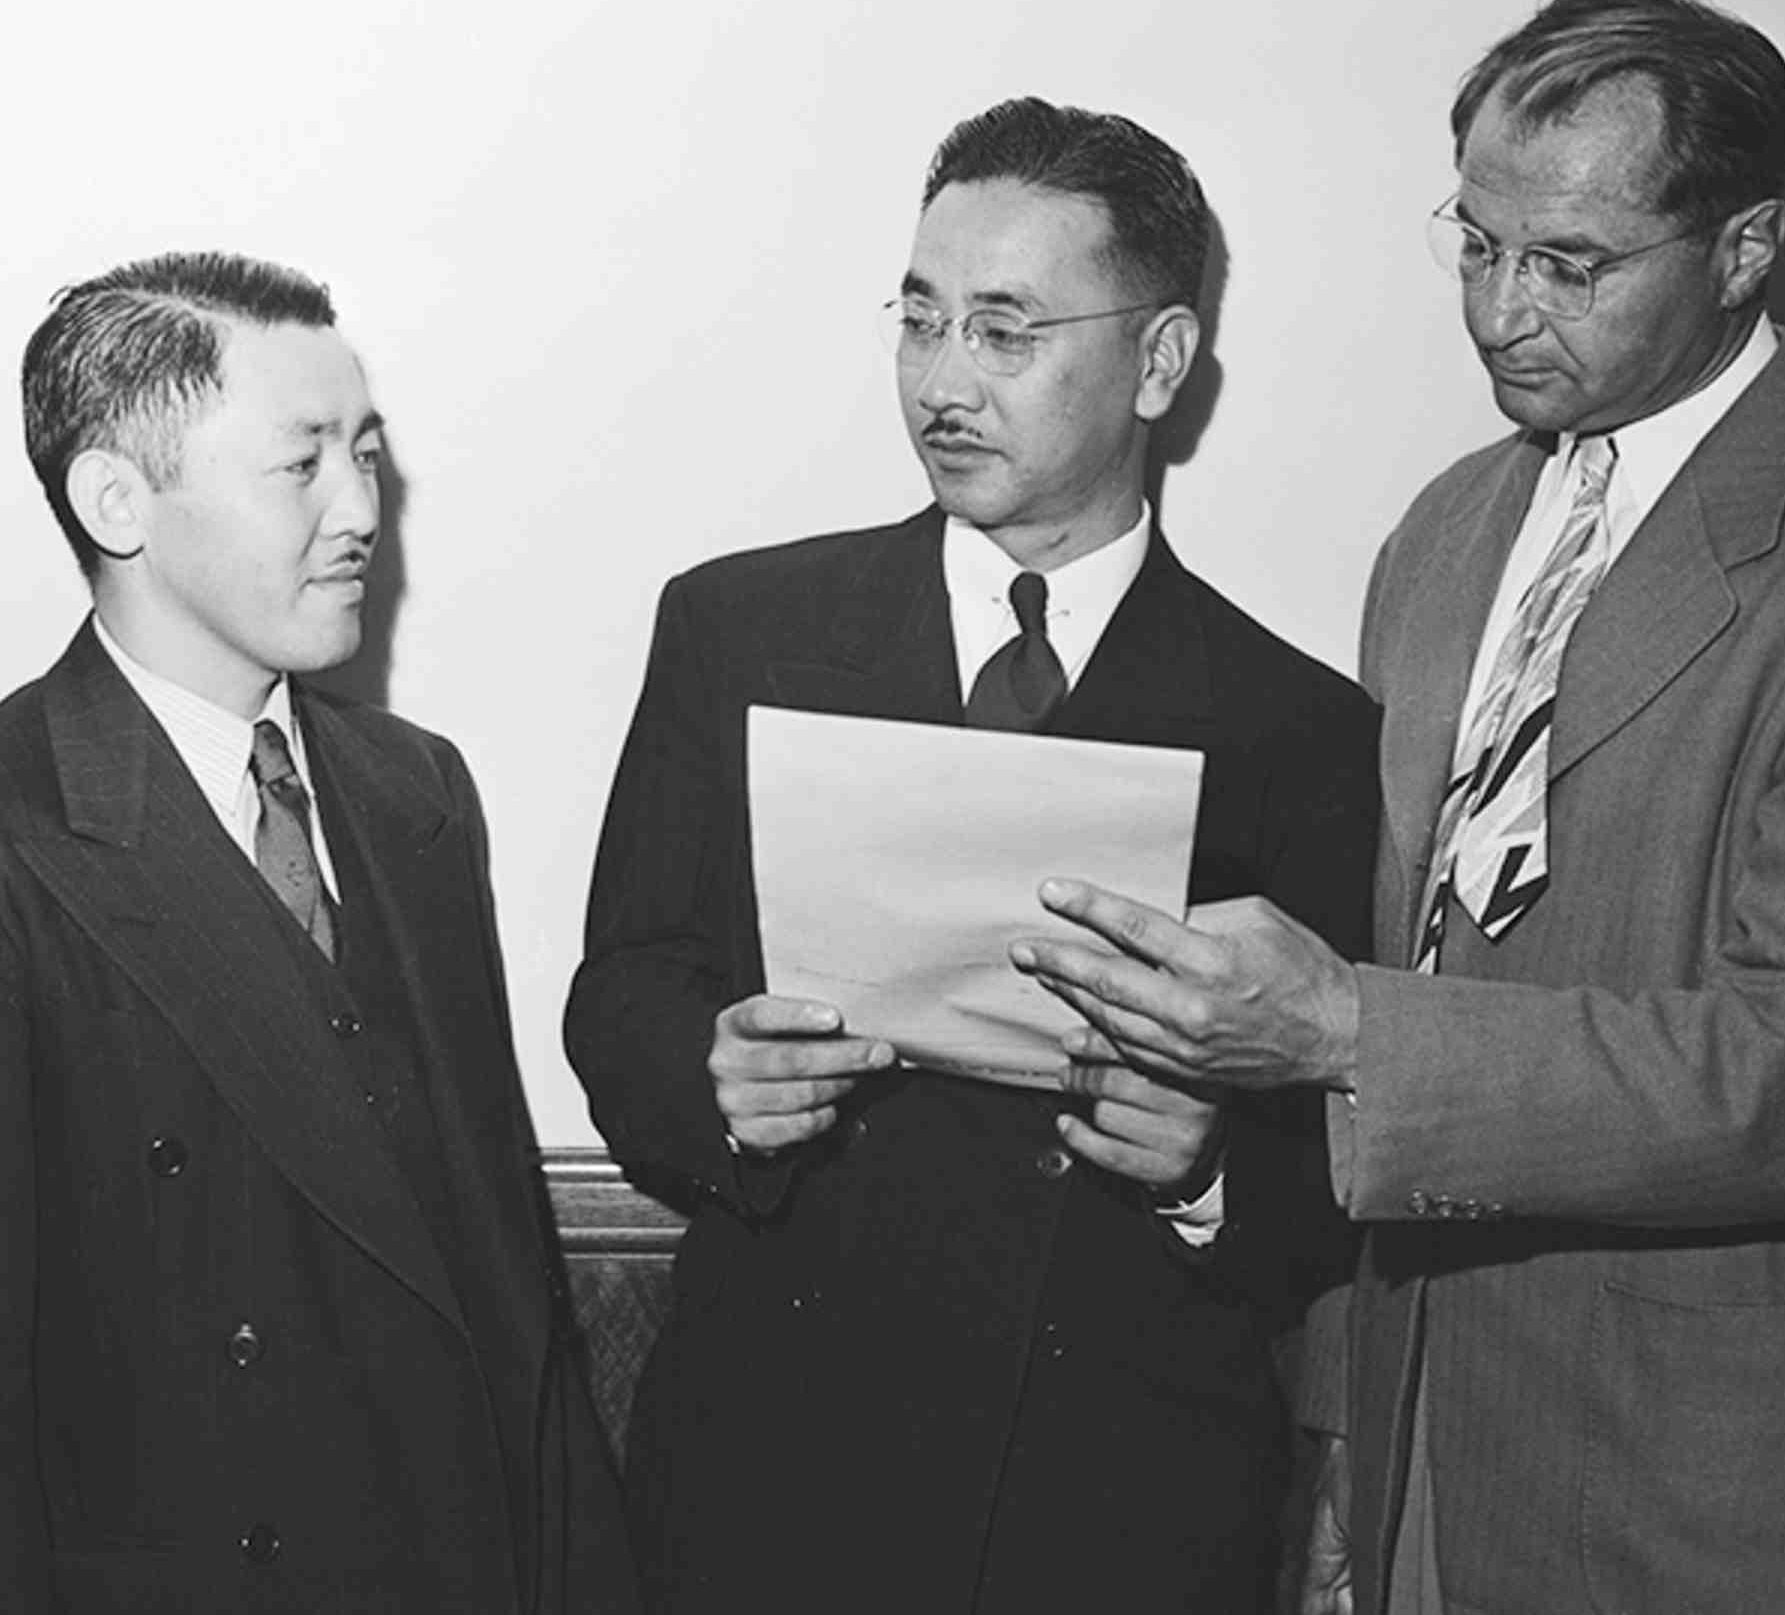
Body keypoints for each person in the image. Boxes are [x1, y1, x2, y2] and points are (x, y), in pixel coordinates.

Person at [1010, 0, 1785, 1615]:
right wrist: (1347, 1430)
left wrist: (1348, 1031)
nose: (1502, 308)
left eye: (1570, 264)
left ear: (1745, 249)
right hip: (1425, 1448)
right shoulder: (1445, 536)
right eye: (1478, 243)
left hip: (1720, 1492)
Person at [565, 96, 1378, 1614]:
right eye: (920, 321)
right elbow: (618, 990)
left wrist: (1207, 1167)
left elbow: (1341, 1159)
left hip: (1116, 1505)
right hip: (772, 1480)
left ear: (1160, 361)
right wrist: (711, 1079)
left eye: (1004, 332)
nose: (943, 382)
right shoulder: (741, 630)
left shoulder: (1298, 727)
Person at [0, 252, 636, 1613]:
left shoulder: (418, 793)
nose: (364, 510)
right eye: (302, 467)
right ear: (119, 500)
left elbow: (510, 1305)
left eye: (368, 453)